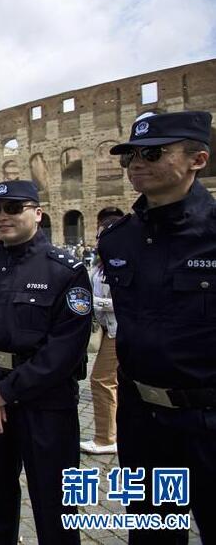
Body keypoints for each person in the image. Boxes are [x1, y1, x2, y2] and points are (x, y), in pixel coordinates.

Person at [97, 110, 215, 544]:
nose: (136, 164)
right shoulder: (117, 240)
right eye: (130, 156)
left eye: (152, 153)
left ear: (197, 159)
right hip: (144, 419)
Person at [0, 180, 92, 544]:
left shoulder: (65, 270)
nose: (2, 217)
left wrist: (4, 391)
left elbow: (64, 349)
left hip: (44, 404)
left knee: (55, 506)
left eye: (13, 208)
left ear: (37, 212)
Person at [79, 214, 123, 456]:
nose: (98, 240)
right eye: (97, 235)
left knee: (101, 380)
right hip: (107, 328)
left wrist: (95, 302)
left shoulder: (122, 261)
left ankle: (105, 438)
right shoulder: (100, 263)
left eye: (102, 235)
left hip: (120, 329)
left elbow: (127, 299)